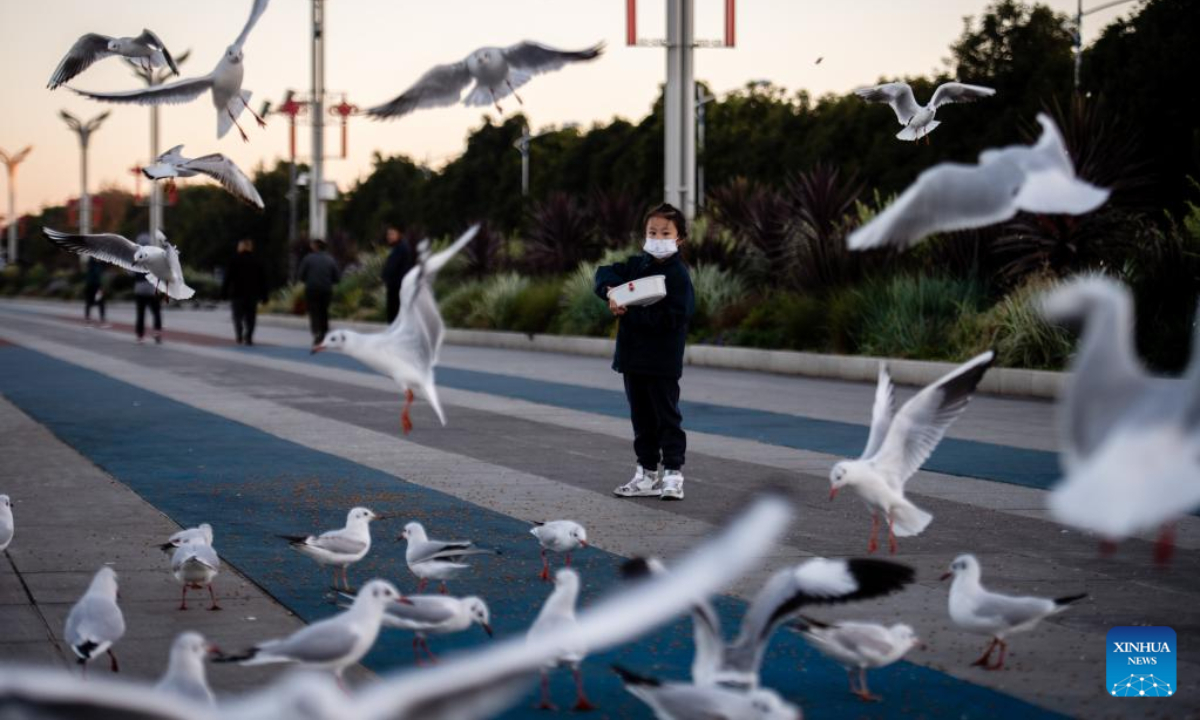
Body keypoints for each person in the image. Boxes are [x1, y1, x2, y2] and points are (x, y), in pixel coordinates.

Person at [594, 203, 695, 501]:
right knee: (641, 420)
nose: (658, 237)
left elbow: (675, 316)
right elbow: (603, 273)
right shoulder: (636, 266)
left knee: (667, 418)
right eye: (652, 231)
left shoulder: (678, 275)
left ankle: (674, 475)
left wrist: (629, 313)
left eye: (665, 232)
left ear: (679, 239)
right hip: (632, 359)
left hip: (662, 361)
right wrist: (611, 291)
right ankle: (647, 474)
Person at [222, 239, 268, 345]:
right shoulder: (257, 260)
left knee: (237, 316)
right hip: (252, 294)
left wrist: (224, 292)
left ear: (241, 247)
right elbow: (263, 280)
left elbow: (228, 278)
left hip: (237, 293)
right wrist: (264, 295)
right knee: (251, 317)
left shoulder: (234, 260)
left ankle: (239, 334)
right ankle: (249, 336)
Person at [297, 238, 340, 347]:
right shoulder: (331, 259)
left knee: (314, 312)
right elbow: (337, 277)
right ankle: (324, 332)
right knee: (324, 311)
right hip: (326, 289)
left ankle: (316, 332)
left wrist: (308, 280)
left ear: (315, 247)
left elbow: (301, 275)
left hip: (312, 289)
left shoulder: (308, 259)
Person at [380, 226, 414, 324]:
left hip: (398, 285)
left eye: (392, 234)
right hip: (396, 285)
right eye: (388, 234)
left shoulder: (401, 248)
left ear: (399, 234)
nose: (389, 237)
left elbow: (393, 266)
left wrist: (385, 277)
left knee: (395, 311)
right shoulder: (397, 247)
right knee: (394, 311)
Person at [132, 235, 163, 344]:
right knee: (156, 311)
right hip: (151, 289)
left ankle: (140, 336)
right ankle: (157, 332)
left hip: (139, 289)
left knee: (140, 314)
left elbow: (129, 272)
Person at [83, 258, 108, 327]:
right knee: (98, 302)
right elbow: (97, 274)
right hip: (94, 286)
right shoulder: (93, 263)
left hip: (93, 285)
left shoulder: (93, 263)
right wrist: (101, 286)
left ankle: (89, 319)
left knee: (97, 302)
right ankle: (100, 320)